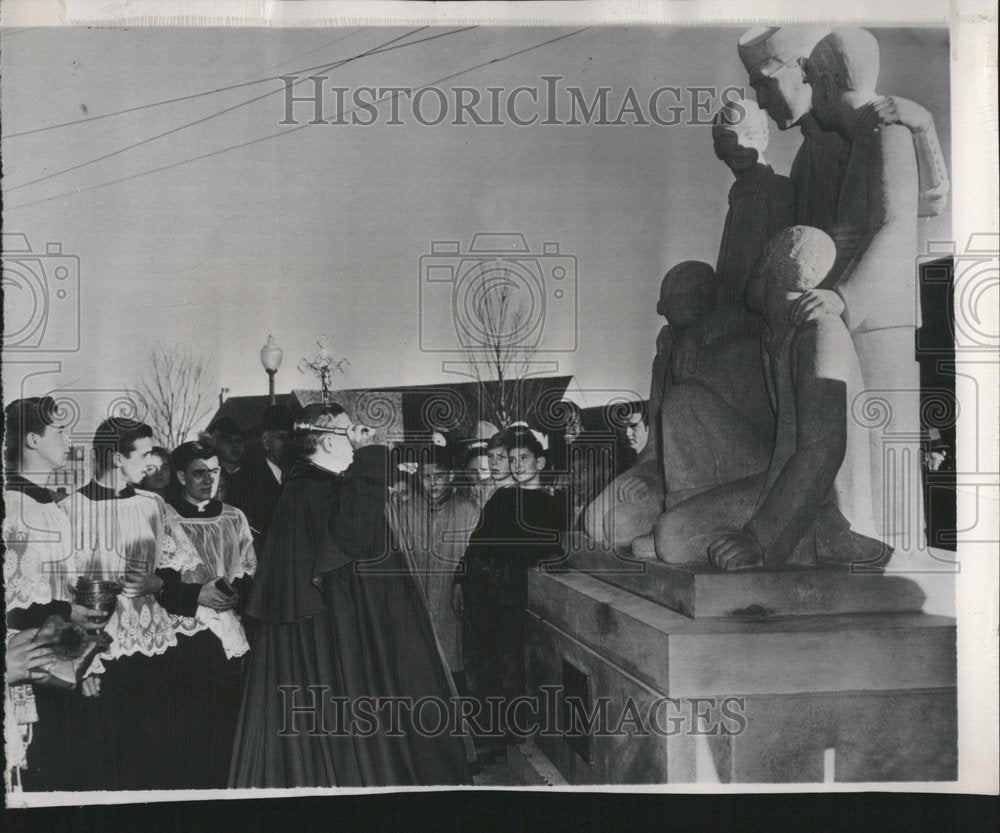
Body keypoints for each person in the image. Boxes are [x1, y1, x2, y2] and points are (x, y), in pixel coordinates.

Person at [230, 403, 471, 787]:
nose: (361, 436)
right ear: (326, 441)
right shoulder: (307, 489)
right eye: (349, 431)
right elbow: (351, 536)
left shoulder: (321, 485)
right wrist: (371, 456)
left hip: (346, 631)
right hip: (330, 640)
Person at [652, 226, 885, 570]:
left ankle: (815, 537)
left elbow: (823, 448)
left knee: (671, 539)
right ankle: (689, 522)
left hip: (821, 507)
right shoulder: (775, 332)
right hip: (781, 475)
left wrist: (761, 540)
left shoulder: (819, 331)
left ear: (766, 271)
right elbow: (734, 319)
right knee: (685, 401)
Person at [799, 28, 927, 546]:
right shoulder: (864, 138)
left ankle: (899, 554)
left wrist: (844, 296)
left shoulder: (884, 133)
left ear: (829, 83)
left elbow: (896, 225)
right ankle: (879, 547)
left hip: (880, 315)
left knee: (889, 437)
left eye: (811, 83)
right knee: (870, 438)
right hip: (869, 314)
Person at [62, 417, 188, 790]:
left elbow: (184, 567)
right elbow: (62, 594)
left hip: (154, 647)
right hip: (103, 655)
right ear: (118, 459)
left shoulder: (154, 505)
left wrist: (160, 580)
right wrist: (85, 661)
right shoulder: (69, 510)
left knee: (157, 757)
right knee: (109, 761)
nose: (152, 463)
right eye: (146, 453)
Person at [737, 25, 949, 229]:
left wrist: (923, 130)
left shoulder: (879, 124)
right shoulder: (804, 160)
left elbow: (928, 203)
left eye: (766, 84)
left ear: (803, 69)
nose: (762, 102)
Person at [454, 428, 568, 750]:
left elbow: (555, 550)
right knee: (483, 669)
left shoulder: (556, 503)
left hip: (519, 598)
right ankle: (488, 741)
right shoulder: (502, 498)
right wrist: (460, 582)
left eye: (524, 458)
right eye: (512, 459)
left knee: (514, 670)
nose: (516, 465)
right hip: (484, 593)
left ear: (541, 463)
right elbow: (475, 545)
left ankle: (517, 739)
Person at [3, 397, 95, 791]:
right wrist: (66, 610)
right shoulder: (10, 505)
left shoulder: (55, 509)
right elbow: (13, 603)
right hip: (24, 668)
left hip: (61, 668)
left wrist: (85, 659)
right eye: (59, 430)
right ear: (31, 439)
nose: (69, 438)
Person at [154, 441, 256, 788]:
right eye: (199, 472)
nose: (209, 479)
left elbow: (247, 569)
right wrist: (197, 595)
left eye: (214, 472)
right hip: (185, 637)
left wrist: (240, 591)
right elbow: (160, 584)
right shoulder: (164, 518)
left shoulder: (234, 517)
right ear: (181, 476)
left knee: (225, 728)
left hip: (228, 634)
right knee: (188, 734)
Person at [388, 444, 480, 681]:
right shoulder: (406, 511)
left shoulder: (469, 511)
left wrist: (463, 585)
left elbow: (474, 560)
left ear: (450, 475)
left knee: (456, 675)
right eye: (426, 477)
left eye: (438, 476)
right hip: (416, 607)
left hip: (453, 609)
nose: (433, 483)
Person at [712, 94, 796, 310]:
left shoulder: (779, 190)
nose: (740, 145)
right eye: (729, 138)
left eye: (750, 135)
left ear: (765, 138)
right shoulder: (737, 198)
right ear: (718, 149)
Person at [226, 405, 290, 553]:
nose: (288, 444)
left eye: (291, 438)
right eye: (281, 438)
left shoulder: (297, 479)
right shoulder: (244, 482)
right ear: (266, 441)